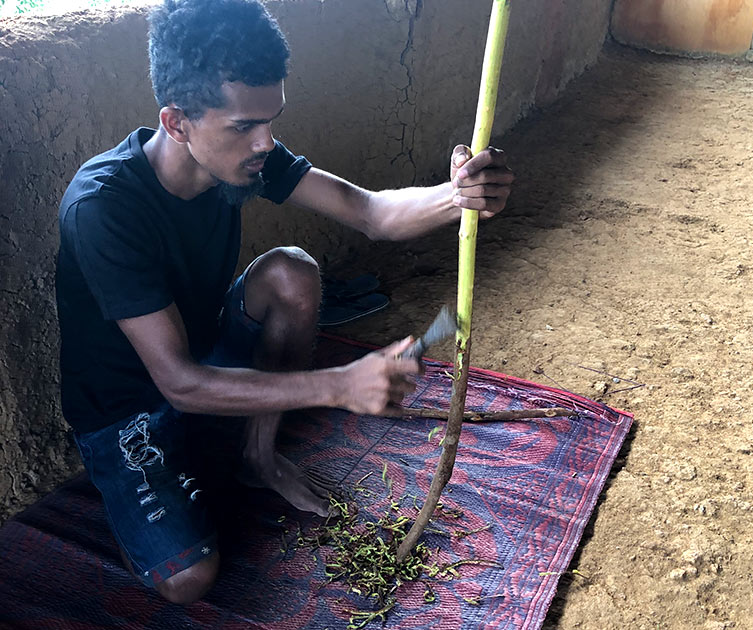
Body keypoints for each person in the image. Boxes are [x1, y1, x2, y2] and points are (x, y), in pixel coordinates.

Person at [55, 0, 514, 605]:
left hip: (203, 358)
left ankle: (257, 457)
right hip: (130, 407)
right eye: (243, 126)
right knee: (188, 580)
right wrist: (338, 385)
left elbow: (371, 212)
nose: (265, 141)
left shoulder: (242, 159)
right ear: (176, 123)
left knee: (291, 273)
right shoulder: (104, 207)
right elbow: (181, 384)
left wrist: (458, 197)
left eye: (271, 119)